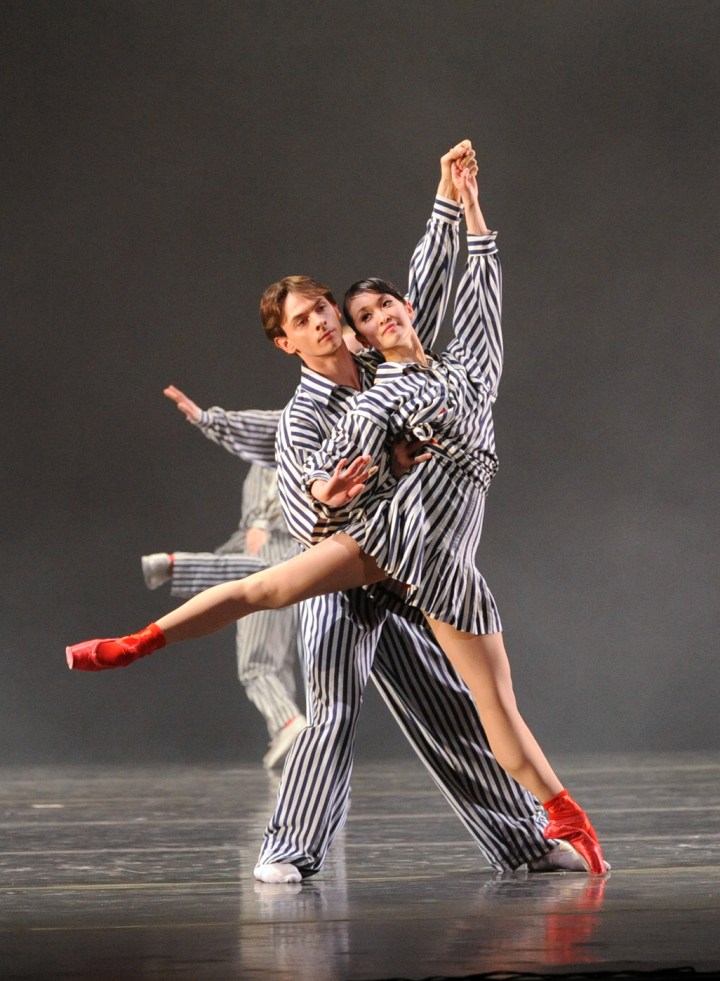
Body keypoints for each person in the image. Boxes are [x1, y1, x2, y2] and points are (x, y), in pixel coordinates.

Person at [67, 140, 603, 879]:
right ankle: (288, 850)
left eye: (323, 307)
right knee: (332, 705)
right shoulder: (303, 418)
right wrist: (328, 496)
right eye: (304, 319)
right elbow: (303, 502)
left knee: (451, 707)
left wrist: (451, 200)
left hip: (417, 564)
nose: (322, 321)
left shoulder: (387, 359)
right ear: (287, 343)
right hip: (348, 560)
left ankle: (521, 843)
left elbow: (432, 289)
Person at [141, 459, 306, 770]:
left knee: (256, 665)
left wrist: (261, 520)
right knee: (277, 659)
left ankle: (287, 723)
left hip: (270, 561)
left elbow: (277, 486)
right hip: (292, 561)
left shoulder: (281, 449)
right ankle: (286, 733)